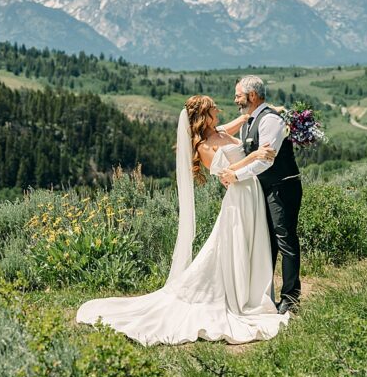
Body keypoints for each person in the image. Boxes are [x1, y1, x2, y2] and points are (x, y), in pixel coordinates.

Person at [76, 94, 287, 345]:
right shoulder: (203, 147)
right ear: (204, 116)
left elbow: (244, 118)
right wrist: (255, 156)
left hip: (251, 193)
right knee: (234, 246)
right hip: (239, 198)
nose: (219, 111)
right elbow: (227, 173)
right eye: (214, 109)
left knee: (251, 245)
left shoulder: (219, 130)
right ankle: (237, 296)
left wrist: (271, 112)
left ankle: (250, 292)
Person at [217, 75, 302, 314]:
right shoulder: (248, 121)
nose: (235, 100)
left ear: (252, 96)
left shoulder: (270, 121)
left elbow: (266, 161)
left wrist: (237, 175)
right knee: (266, 243)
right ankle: (265, 296)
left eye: (238, 95)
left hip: (282, 187)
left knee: (285, 240)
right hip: (262, 190)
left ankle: (291, 298)